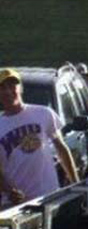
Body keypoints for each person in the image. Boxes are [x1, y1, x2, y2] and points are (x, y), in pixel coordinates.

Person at [0, 68, 79, 208]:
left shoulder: (44, 113)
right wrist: (9, 190)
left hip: (48, 196)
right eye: (2, 88)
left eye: (12, 85)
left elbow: (61, 148)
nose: (8, 91)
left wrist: (75, 183)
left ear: (21, 88)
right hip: (14, 204)